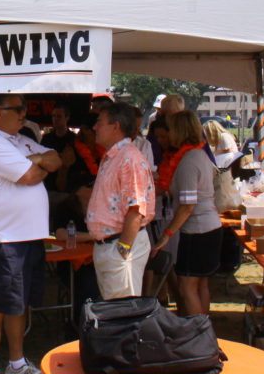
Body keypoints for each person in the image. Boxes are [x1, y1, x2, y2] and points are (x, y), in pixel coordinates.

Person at [0, 94, 62, 374]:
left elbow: (56, 159)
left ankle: (16, 363)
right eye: (18, 109)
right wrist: (37, 163)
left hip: (26, 236)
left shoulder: (20, 140)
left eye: (23, 109)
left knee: (18, 304)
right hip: (5, 237)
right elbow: (29, 176)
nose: (24, 114)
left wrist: (36, 159)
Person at [65, 102, 155, 299]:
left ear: (116, 126)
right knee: (116, 315)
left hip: (119, 246)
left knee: (123, 316)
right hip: (109, 246)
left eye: (99, 122)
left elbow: (136, 209)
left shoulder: (128, 159)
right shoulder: (115, 156)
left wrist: (123, 251)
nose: (94, 127)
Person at [151, 110, 221, 316]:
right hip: (208, 227)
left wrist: (167, 234)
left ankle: (196, 335)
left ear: (179, 131)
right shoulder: (198, 155)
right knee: (200, 285)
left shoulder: (189, 161)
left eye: (171, 129)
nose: (168, 134)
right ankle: (202, 333)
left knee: (187, 287)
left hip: (198, 231)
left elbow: (188, 205)